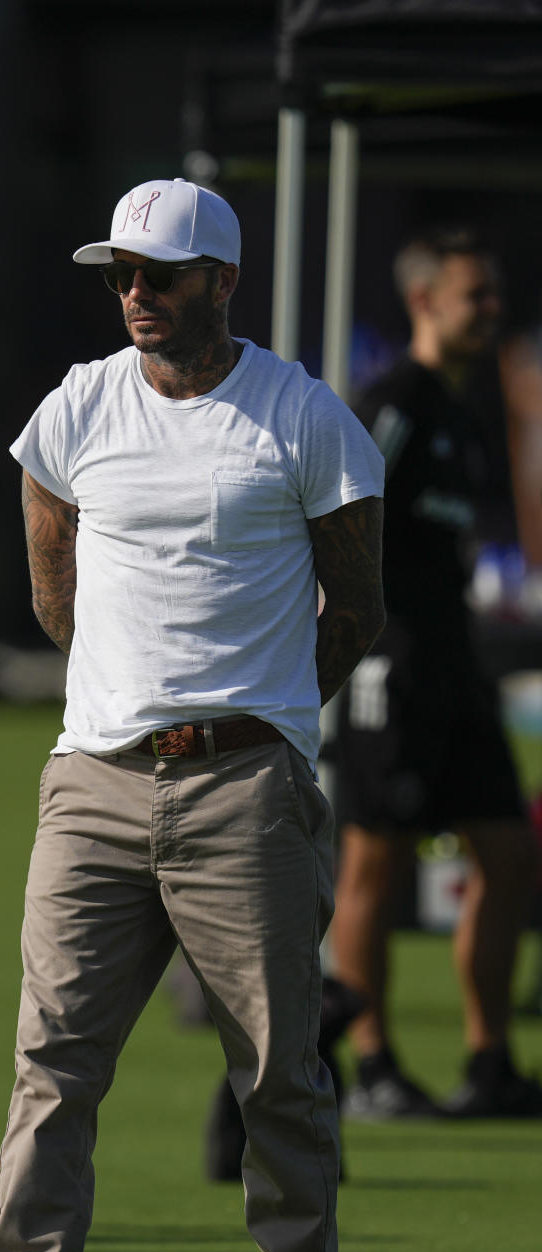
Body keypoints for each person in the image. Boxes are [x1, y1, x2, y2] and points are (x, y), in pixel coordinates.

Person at [0, 177, 385, 1252]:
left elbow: (357, 607)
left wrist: (264, 728)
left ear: (223, 279)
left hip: (245, 790)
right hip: (94, 785)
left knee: (276, 1064)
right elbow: (52, 569)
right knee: (52, 1057)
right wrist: (118, 706)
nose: (136, 294)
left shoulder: (302, 416)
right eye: (121, 273)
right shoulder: (77, 408)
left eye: (160, 274)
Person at [330, 226, 542, 1121]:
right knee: (374, 864)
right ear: (424, 302)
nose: (491, 312)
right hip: (393, 666)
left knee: (508, 850)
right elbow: (333, 521)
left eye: (494, 295)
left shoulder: (461, 409)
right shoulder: (390, 405)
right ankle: (372, 1062)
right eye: (475, 296)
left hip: (455, 666)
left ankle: (489, 1057)